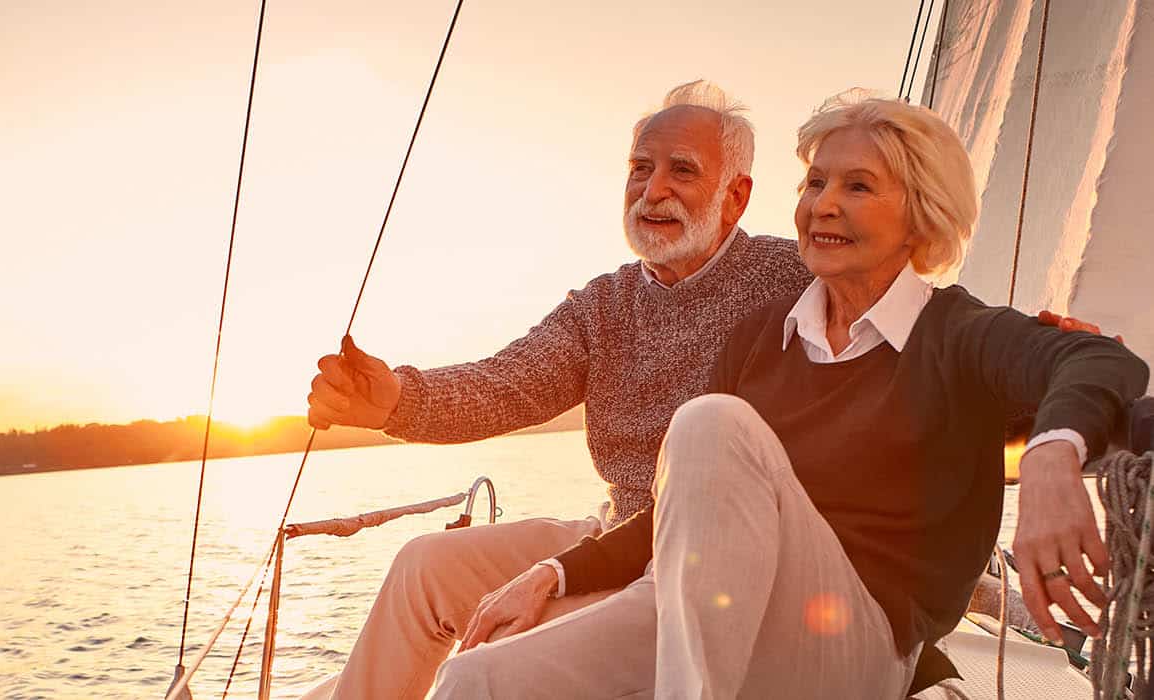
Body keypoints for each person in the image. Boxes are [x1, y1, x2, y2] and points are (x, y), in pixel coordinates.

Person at [430, 93, 1149, 698]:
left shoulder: (956, 334)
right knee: (474, 684)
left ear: (922, 217)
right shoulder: (759, 338)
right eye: (814, 185)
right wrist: (552, 574)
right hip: (703, 603)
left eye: (857, 187)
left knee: (710, 423)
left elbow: (1096, 362)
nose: (822, 206)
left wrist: (1054, 460)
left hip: (856, 637)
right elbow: (673, 515)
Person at [300, 81, 814, 699]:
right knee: (422, 567)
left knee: (492, 655)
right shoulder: (605, 304)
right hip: (612, 536)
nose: (653, 191)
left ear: (735, 197)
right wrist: (395, 401)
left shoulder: (792, 279)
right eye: (640, 169)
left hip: (706, 567)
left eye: (682, 170)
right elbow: (505, 383)